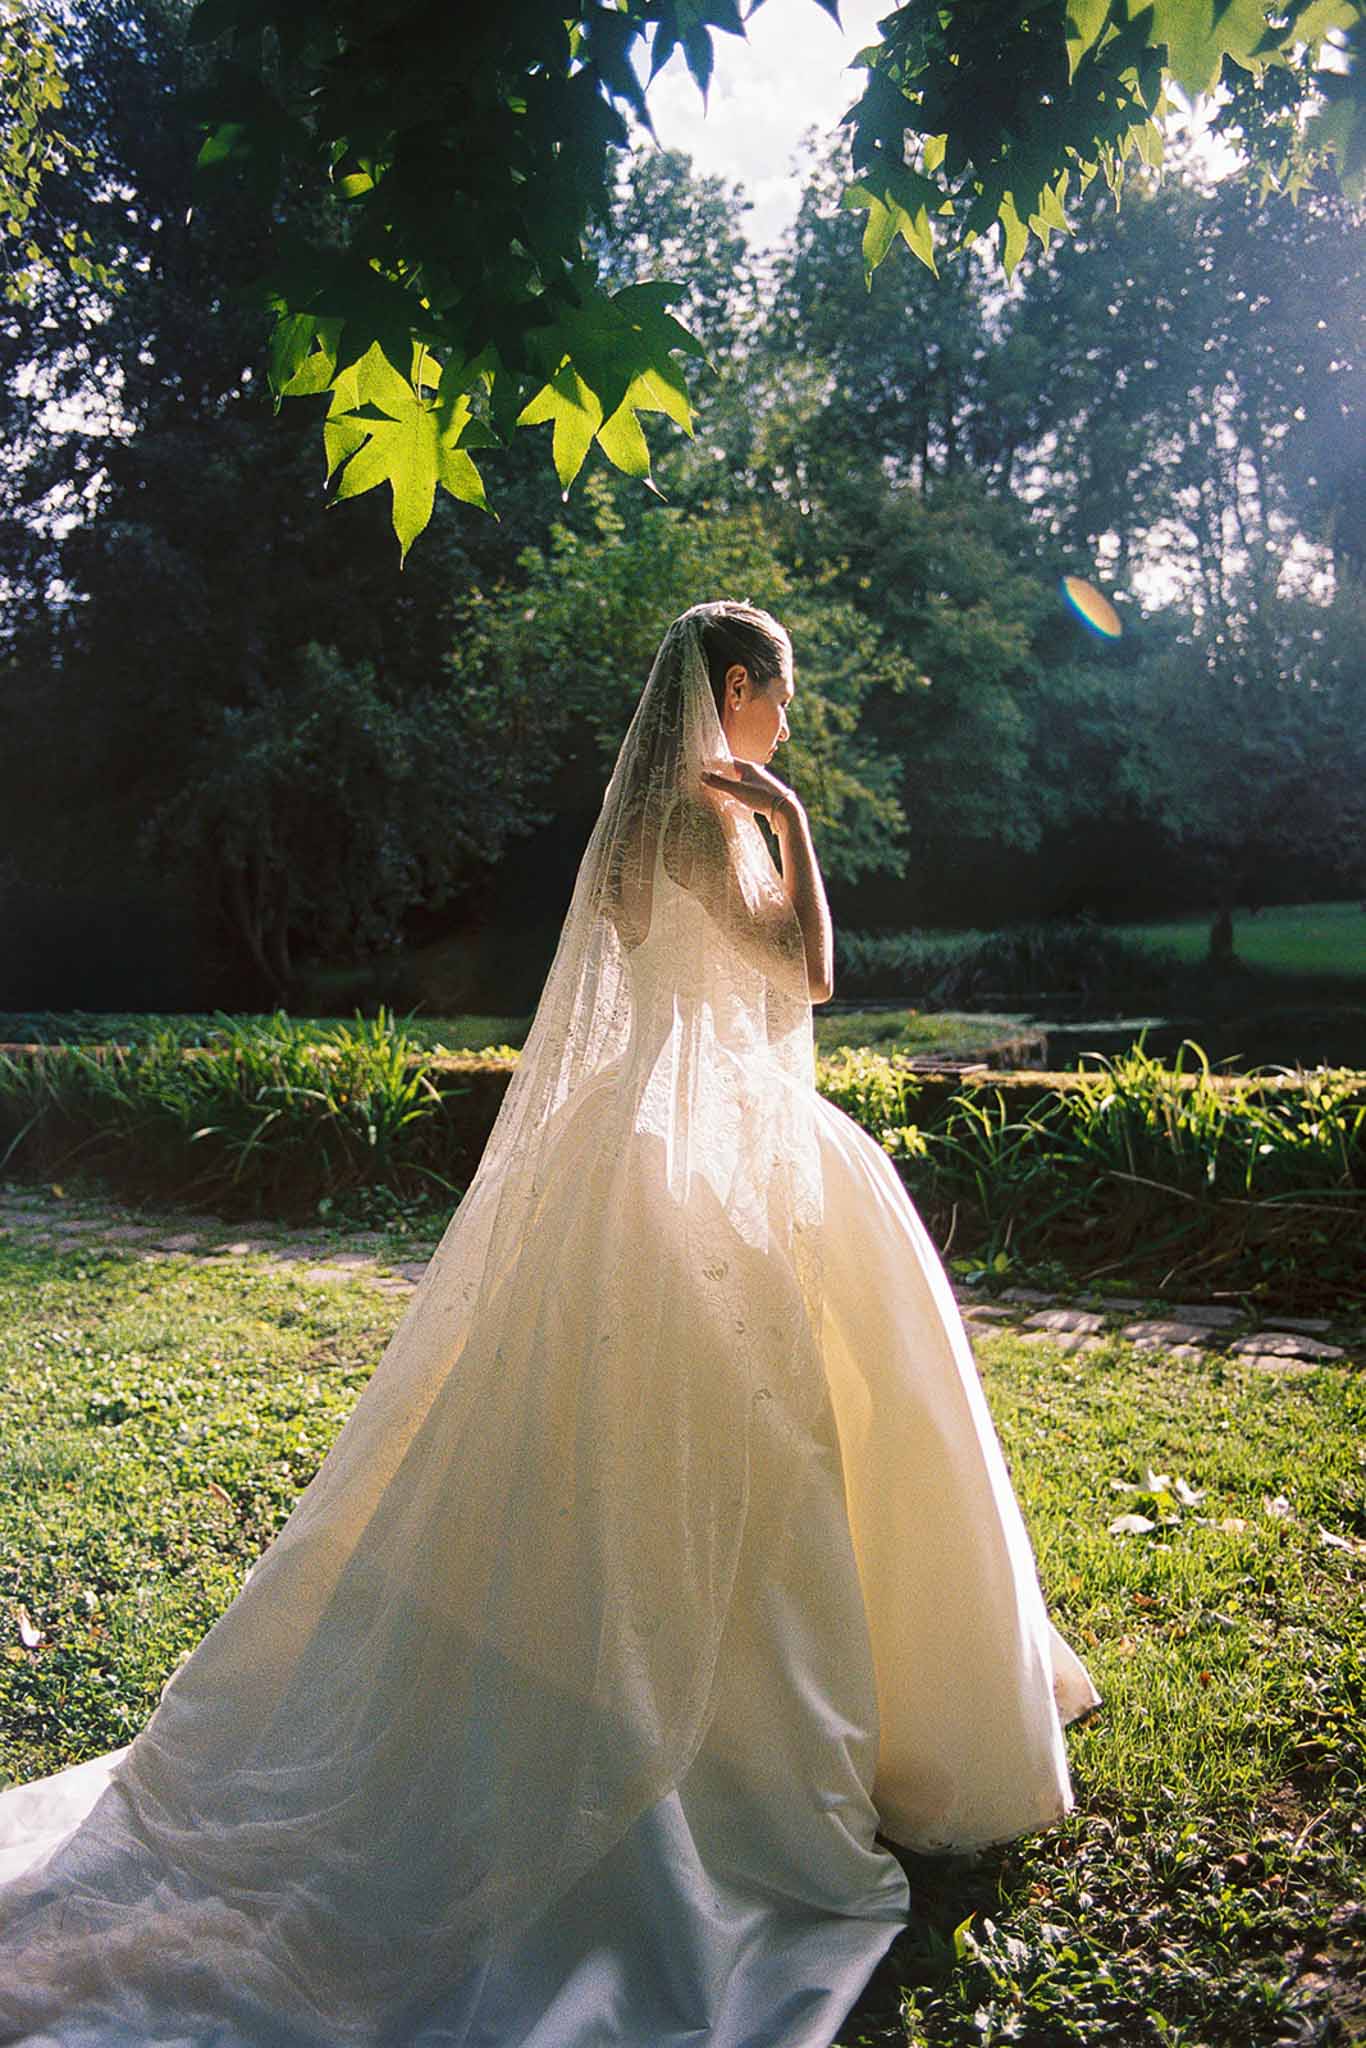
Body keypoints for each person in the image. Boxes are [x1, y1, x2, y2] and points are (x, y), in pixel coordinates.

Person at [0, 599, 1100, 2047]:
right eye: (780, 696)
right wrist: (789, 826)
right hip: (717, 1134)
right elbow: (807, 976)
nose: (787, 723)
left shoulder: (638, 821)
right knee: (774, 1424)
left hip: (636, 1132)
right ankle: (791, 1724)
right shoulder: (717, 816)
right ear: (734, 687)